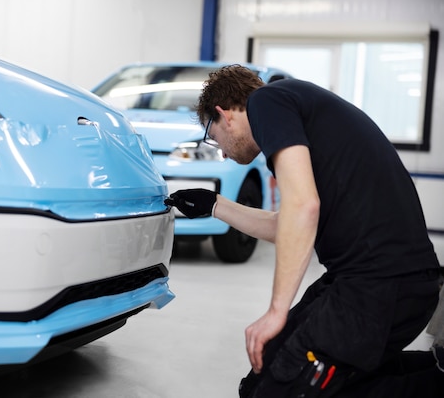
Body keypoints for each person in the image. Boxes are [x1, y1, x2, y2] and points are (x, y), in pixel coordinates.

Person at [164, 65, 444, 397]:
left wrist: (276, 311)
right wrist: (214, 204)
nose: (222, 152)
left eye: (213, 137)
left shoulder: (266, 101)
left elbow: (303, 207)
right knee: (262, 376)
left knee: (281, 391)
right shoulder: (298, 108)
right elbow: (290, 223)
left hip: (380, 284)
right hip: (375, 281)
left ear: (225, 115)